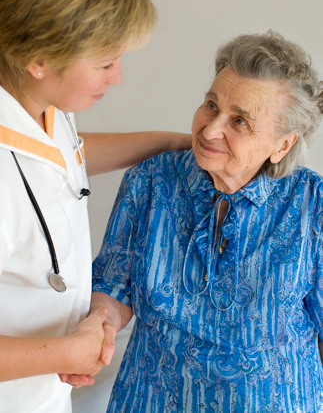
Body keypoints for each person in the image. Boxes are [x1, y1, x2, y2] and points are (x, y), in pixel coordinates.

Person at [0, 0, 191, 412]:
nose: (118, 76)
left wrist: (175, 144)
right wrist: (69, 350)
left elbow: (63, 158)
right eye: (106, 62)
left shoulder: (39, 105)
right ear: (38, 59)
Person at [90, 31, 323, 412]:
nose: (211, 130)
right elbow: (113, 285)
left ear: (282, 145)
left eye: (240, 121)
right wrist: (100, 323)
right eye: (211, 105)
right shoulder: (152, 180)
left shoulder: (313, 205)